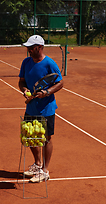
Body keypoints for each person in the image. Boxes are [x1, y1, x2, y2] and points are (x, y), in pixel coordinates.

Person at [18, 35, 63, 183]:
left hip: (46, 108)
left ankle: (45, 170)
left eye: (31, 48)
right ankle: (37, 165)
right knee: (30, 137)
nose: (29, 50)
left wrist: (46, 92)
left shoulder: (49, 63)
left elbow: (60, 83)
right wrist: (24, 90)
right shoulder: (26, 62)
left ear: (40, 47)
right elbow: (22, 82)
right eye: (28, 48)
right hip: (31, 107)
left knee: (46, 139)